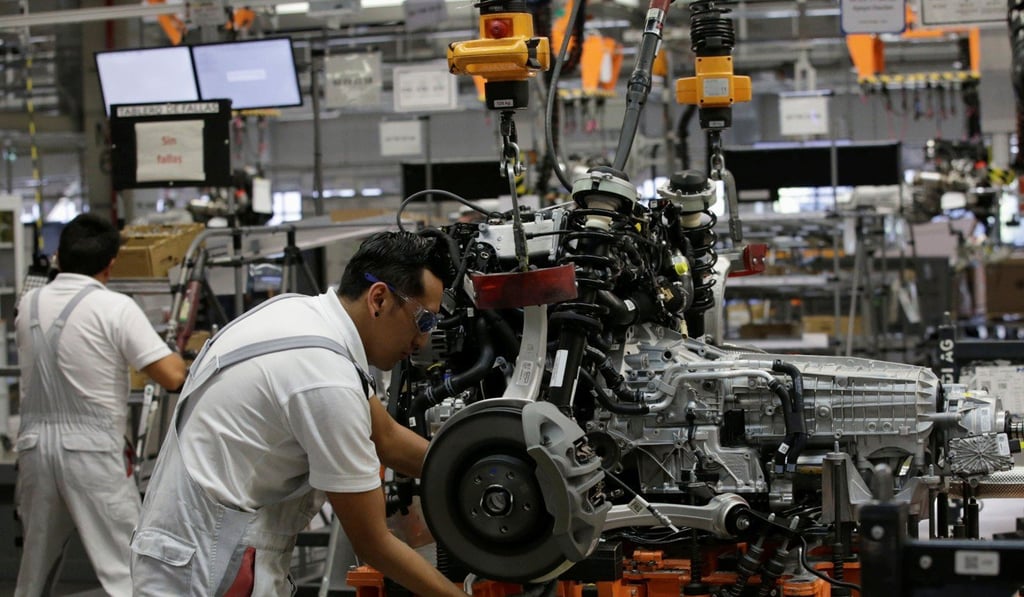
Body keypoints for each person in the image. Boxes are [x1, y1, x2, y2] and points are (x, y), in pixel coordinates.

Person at [131, 231, 467, 596]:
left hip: (195, 547)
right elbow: (374, 544)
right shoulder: (326, 379)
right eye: (424, 321)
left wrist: (466, 471)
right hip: (209, 566)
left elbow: (385, 436)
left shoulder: (302, 317)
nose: (423, 341)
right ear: (379, 299)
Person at [14, 213, 188, 596]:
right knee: (128, 571)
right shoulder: (115, 309)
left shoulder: (28, 305)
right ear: (111, 264)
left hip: (34, 450)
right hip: (91, 452)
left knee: (33, 573)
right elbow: (173, 376)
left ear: (58, 257)